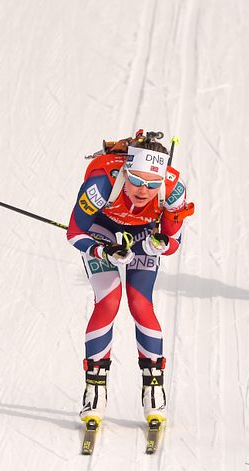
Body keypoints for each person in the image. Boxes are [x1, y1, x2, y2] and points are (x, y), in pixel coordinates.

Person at [66, 130, 193, 425]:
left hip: (144, 235)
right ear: (125, 169)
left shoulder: (173, 191)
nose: (142, 190)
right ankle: (94, 389)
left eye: (152, 184)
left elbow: (174, 242)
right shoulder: (102, 184)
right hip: (102, 232)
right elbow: (75, 232)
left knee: (140, 303)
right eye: (135, 180)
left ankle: (154, 389)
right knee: (109, 301)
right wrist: (102, 251)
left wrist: (156, 243)